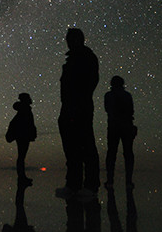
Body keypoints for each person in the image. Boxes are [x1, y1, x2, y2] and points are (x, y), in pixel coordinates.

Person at [56, 28, 100, 199]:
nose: (69, 41)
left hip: (80, 107)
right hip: (67, 108)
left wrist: (79, 102)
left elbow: (91, 81)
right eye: (68, 38)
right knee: (71, 148)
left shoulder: (86, 57)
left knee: (86, 146)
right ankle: (73, 184)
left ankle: (90, 185)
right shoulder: (71, 59)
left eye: (73, 38)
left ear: (80, 39)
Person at [104, 75, 136, 189]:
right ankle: (128, 181)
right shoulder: (127, 96)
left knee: (112, 153)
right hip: (126, 126)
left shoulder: (108, 95)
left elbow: (107, 109)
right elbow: (131, 111)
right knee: (128, 153)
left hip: (113, 127)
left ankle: (110, 180)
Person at [6, 93, 37, 186]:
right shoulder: (25, 110)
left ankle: (22, 177)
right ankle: (21, 178)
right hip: (23, 136)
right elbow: (26, 123)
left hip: (23, 136)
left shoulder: (24, 109)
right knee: (21, 157)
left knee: (21, 157)